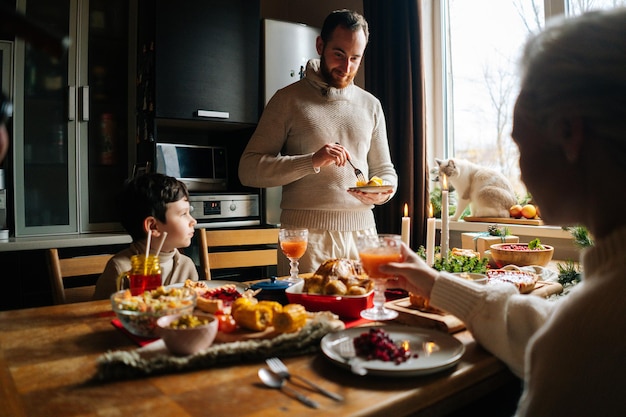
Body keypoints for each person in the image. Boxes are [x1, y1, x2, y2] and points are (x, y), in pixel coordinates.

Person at [382, 8, 626, 417]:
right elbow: (542, 326)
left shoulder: (594, 334)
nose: (520, 172)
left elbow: (567, 334)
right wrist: (435, 282)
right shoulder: (596, 304)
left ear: (569, 133)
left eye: (519, 145)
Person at [239, 9, 397, 275]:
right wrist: (311, 161)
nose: (346, 67)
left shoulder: (371, 105)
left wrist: (384, 192)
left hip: (363, 234)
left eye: (355, 58)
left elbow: (384, 170)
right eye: (339, 54)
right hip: (306, 238)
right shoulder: (287, 100)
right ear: (320, 45)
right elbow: (248, 169)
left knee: (365, 315)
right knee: (309, 316)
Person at [93, 173, 198, 299]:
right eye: (183, 214)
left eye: (189, 212)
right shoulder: (120, 269)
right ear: (153, 226)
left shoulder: (187, 266)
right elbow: (101, 313)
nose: (193, 221)